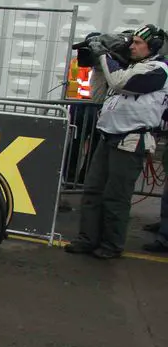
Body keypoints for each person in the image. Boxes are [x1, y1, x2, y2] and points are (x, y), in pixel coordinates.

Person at [66, 25, 167, 259]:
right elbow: (100, 94)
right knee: (92, 191)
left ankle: (111, 244)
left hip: (131, 140)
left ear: (151, 47)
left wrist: (104, 54)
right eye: (131, 42)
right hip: (107, 136)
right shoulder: (129, 66)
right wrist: (101, 62)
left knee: (115, 197)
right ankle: (88, 238)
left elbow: (121, 83)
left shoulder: (158, 70)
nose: (131, 46)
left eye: (138, 43)